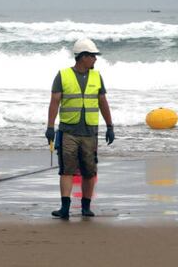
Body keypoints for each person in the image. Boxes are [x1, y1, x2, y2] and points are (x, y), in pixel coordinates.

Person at [45, 38, 114, 219]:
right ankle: (65, 208)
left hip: (90, 132)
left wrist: (110, 126)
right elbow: (54, 102)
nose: (95, 59)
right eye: (92, 56)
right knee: (67, 169)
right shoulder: (63, 75)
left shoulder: (96, 76)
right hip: (68, 131)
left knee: (89, 171)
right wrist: (50, 127)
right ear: (82, 57)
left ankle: (86, 207)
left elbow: (103, 103)